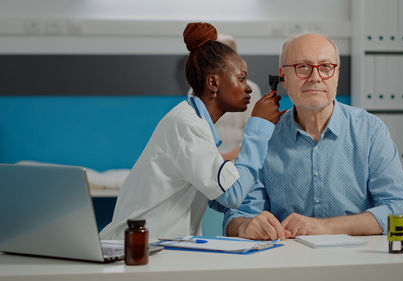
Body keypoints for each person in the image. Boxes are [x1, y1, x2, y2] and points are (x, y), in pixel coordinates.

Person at [224, 33, 403, 241]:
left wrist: (326, 227)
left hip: (359, 264)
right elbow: (237, 216)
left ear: (337, 75)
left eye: (326, 67)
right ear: (284, 77)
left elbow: (402, 211)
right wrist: (245, 226)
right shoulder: (266, 138)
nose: (315, 77)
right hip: (289, 264)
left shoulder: (370, 131)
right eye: (303, 67)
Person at [100, 22, 284, 240]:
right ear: (213, 82)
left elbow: (215, 193)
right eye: (241, 78)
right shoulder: (187, 126)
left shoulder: (193, 121)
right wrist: (259, 127)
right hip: (136, 248)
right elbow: (232, 194)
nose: (248, 88)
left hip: (157, 246)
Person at [187, 34, 263, 161]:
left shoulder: (250, 89)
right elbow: (194, 132)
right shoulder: (196, 90)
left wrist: (227, 158)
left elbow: (255, 134)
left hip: (241, 159)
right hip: (206, 160)